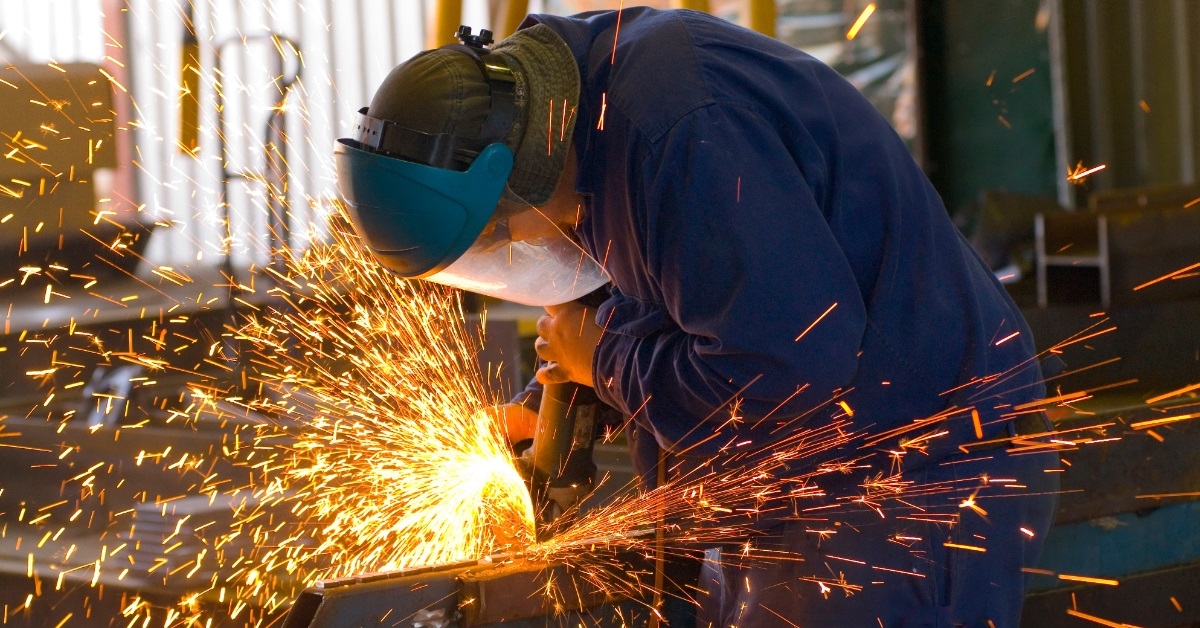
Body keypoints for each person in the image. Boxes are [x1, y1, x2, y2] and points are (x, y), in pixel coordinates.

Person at [333, 7, 1059, 627]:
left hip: (904, 481)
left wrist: (606, 363)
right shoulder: (579, 109)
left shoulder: (679, 133)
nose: (522, 250)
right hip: (812, 482)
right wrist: (553, 402)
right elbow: (682, 296)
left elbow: (786, 370)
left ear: (511, 175)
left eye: (507, 236)